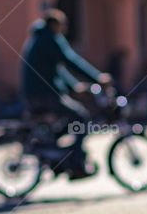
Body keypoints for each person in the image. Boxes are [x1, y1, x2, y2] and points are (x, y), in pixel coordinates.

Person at [20, 9, 110, 178]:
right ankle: (75, 162)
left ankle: (55, 149)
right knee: (81, 117)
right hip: (43, 94)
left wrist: (74, 86)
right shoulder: (51, 39)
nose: (65, 28)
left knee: (70, 120)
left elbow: (57, 69)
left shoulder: (40, 38)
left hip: (37, 93)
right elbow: (70, 61)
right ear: (55, 24)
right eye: (63, 24)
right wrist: (98, 78)